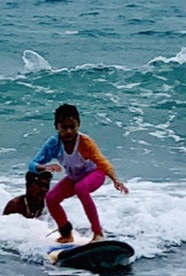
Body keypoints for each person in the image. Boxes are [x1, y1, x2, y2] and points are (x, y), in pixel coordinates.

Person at [27, 103, 128, 242]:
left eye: (72, 127)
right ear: (56, 127)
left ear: (78, 125)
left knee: (81, 188)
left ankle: (98, 233)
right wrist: (44, 167)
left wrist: (115, 179)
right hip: (74, 177)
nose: (69, 131)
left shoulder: (85, 142)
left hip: (95, 173)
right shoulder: (53, 144)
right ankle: (66, 233)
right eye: (64, 128)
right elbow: (32, 164)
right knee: (51, 198)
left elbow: (102, 162)